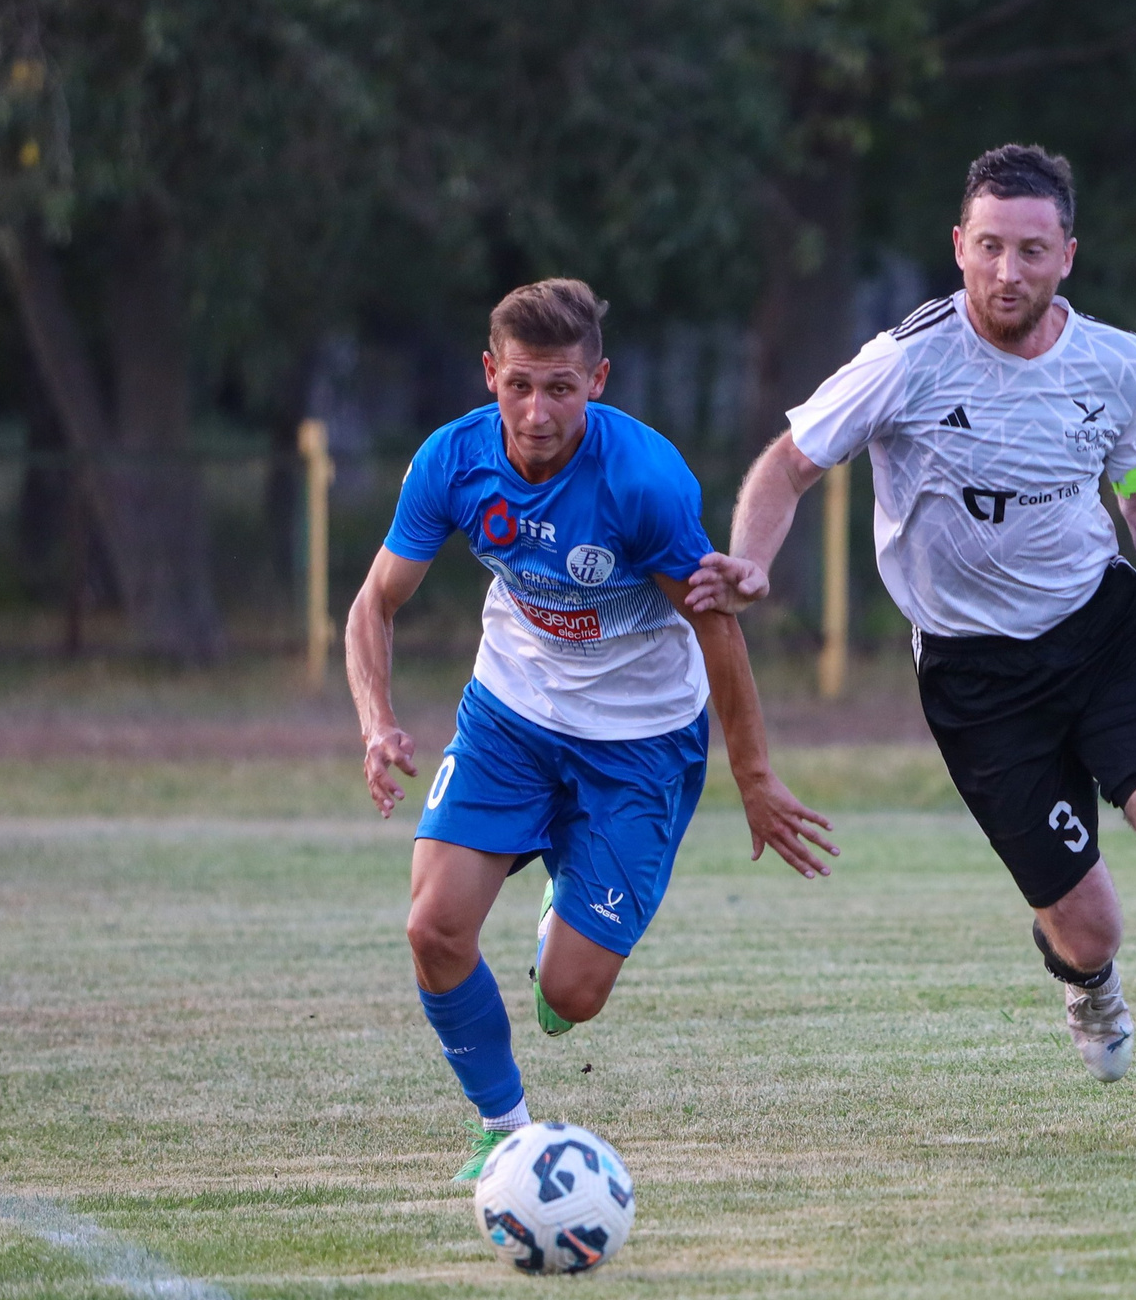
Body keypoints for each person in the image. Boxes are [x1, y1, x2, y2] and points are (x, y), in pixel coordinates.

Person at [686, 144, 1136, 1153]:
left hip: (1102, 634)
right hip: (977, 677)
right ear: (958, 246)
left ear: (1066, 254)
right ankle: (1085, 982)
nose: (1006, 271)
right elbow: (786, 465)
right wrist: (750, 561)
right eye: (988, 247)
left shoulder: (1116, 362)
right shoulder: (905, 361)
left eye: (1031, 250)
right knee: (1092, 928)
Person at [345, 279, 836, 1183]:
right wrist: (377, 724)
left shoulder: (643, 482)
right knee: (434, 931)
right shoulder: (450, 463)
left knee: (569, 998)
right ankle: (505, 1130)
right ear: (490, 374)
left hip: (642, 738)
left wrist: (755, 779)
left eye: (561, 388)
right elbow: (373, 604)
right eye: (520, 385)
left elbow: (715, 625)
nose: (537, 412)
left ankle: (561, 907)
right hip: (512, 713)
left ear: (598, 381)